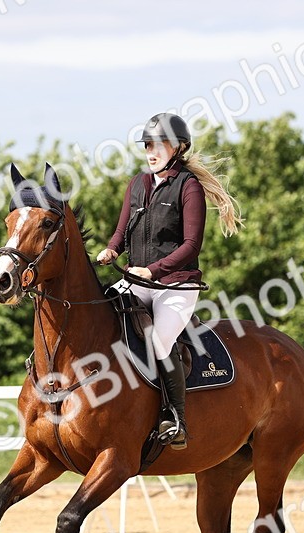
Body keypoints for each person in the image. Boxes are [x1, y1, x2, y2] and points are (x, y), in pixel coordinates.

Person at [96, 112, 243, 449]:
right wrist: (111, 250)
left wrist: (153, 270)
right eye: (147, 144)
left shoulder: (188, 186)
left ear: (178, 147)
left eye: (158, 144)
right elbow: (122, 230)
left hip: (176, 284)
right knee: (101, 318)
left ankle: (175, 417)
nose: (151, 150)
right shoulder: (137, 184)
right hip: (136, 280)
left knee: (160, 340)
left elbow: (192, 245)